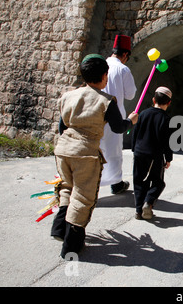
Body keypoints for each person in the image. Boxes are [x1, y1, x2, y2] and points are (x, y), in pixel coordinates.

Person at [51, 54, 138, 258]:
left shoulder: (67, 96)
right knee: (83, 197)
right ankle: (71, 246)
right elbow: (118, 127)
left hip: (63, 150)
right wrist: (131, 121)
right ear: (104, 75)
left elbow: (62, 126)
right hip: (85, 153)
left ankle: (58, 229)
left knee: (66, 187)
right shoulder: (106, 101)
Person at [100, 34, 137, 194]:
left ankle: (91, 179)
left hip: (97, 111)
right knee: (113, 149)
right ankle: (116, 183)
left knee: (97, 147)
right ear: (125, 54)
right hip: (115, 113)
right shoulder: (123, 69)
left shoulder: (102, 64)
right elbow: (130, 94)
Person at [132, 86, 173, 220]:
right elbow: (167, 141)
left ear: (153, 99)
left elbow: (135, 132)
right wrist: (168, 158)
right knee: (158, 182)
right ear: (168, 103)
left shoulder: (143, 113)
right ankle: (149, 202)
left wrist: (134, 148)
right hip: (154, 156)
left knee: (139, 181)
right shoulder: (165, 119)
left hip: (139, 153)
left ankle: (138, 211)